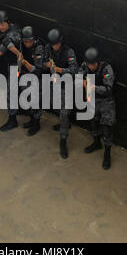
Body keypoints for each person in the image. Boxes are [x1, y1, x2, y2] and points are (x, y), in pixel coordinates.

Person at [42, 28, 78, 159]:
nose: (54, 46)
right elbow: (42, 61)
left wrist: (58, 69)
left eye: (56, 44)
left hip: (66, 85)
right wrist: (48, 65)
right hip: (54, 84)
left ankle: (63, 141)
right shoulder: (48, 47)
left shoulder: (69, 51)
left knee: (63, 113)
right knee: (54, 105)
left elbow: (74, 70)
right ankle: (66, 122)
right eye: (52, 44)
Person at [79, 47, 116, 170]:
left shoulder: (106, 69)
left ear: (97, 61)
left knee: (106, 127)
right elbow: (79, 76)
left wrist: (93, 87)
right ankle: (96, 142)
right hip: (92, 99)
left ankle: (107, 153)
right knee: (93, 123)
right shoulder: (85, 65)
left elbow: (108, 89)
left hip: (106, 101)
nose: (90, 67)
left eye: (93, 64)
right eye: (89, 64)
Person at [19, 26, 47, 137]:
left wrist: (24, 62)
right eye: (25, 41)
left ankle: (36, 124)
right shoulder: (23, 44)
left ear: (34, 39)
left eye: (29, 41)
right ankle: (32, 120)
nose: (27, 43)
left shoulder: (39, 49)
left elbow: (37, 70)